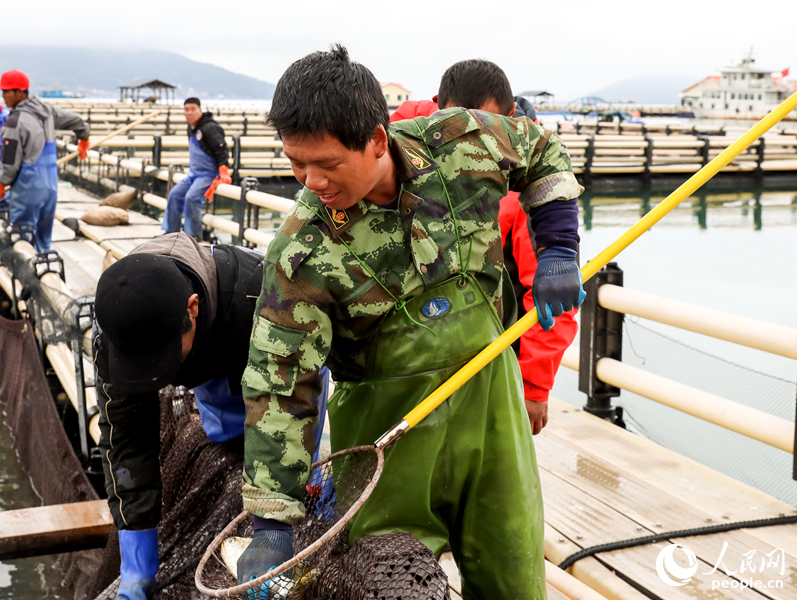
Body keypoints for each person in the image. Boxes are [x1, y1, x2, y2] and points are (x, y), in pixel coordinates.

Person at [237, 46, 584, 600]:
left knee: (514, 571)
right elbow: (279, 379)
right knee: (387, 584)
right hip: (385, 444)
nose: (311, 183)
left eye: (326, 165)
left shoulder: (461, 142)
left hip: (490, 407)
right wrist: (272, 522)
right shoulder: (301, 251)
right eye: (297, 165)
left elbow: (541, 151)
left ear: (377, 140)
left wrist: (559, 245)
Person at [92, 233, 329, 600]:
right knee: (223, 440)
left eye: (163, 358)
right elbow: (126, 445)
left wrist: (272, 525)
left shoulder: (263, 296)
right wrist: (136, 565)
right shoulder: (114, 330)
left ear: (192, 308)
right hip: (206, 359)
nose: (158, 377)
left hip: (271, 353)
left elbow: (287, 404)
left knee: (281, 463)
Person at [390, 59, 579, 436]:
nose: (473, 138)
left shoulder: (534, 193)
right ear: (436, 108)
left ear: (511, 117)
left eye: (488, 125)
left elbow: (550, 297)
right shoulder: (393, 150)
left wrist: (534, 387)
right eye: (460, 123)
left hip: (490, 359)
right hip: (406, 359)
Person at [0, 70, 90, 253]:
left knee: (22, 238)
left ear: (20, 92)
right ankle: (46, 271)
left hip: (28, 188)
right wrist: (84, 138)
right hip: (50, 185)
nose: (2, 96)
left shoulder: (14, 121)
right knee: (43, 240)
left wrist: (0, 185)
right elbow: (77, 121)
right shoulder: (46, 111)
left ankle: (27, 279)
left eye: (6, 91)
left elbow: (10, 164)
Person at [161, 98, 231, 239]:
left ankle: (192, 236)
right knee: (174, 194)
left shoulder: (210, 127)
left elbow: (222, 150)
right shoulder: (191, 128)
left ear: (200, 110)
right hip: (193, 173)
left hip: (208, 174)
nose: (189, 113)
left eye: (193, 109)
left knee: (192, 198)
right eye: (186, 110)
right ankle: (170, 233)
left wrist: (224, 171)